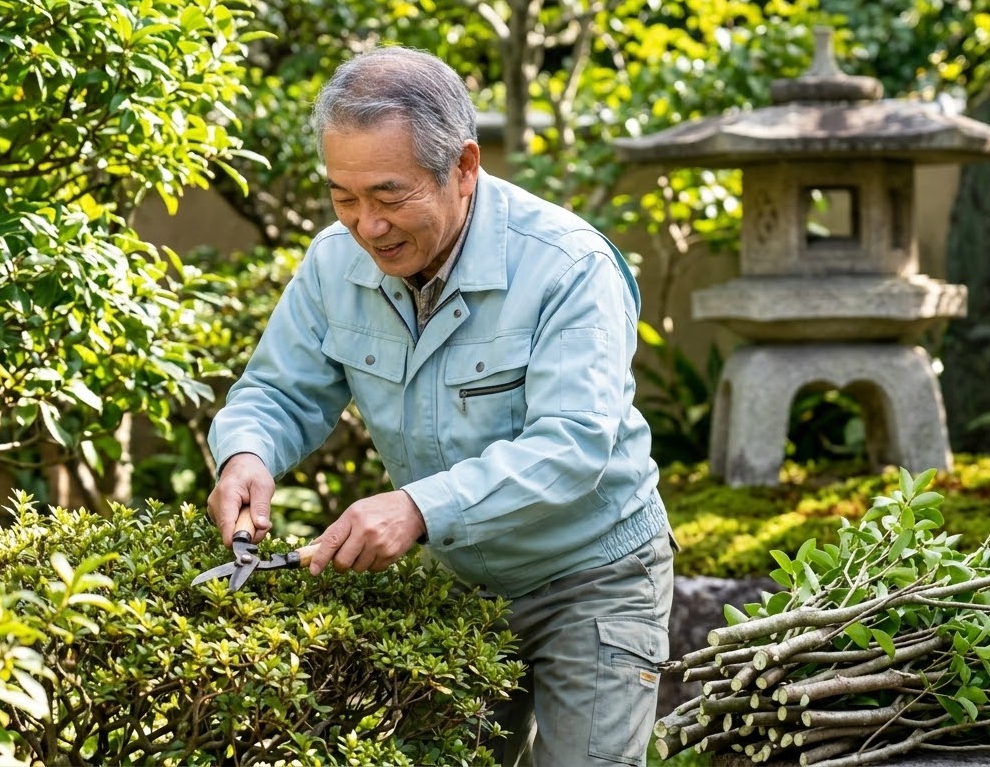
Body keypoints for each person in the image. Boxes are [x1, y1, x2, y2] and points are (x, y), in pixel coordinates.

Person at [205, 45, 674, 766]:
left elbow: (574, 446)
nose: (367, 226)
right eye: (344, 197)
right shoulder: (337, 262)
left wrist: (418, 508)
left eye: (390, 196)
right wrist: (247, 453)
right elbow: (279, 390)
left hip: (592, 574)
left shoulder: (568, 266)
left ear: (464, 168)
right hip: (460, 581)